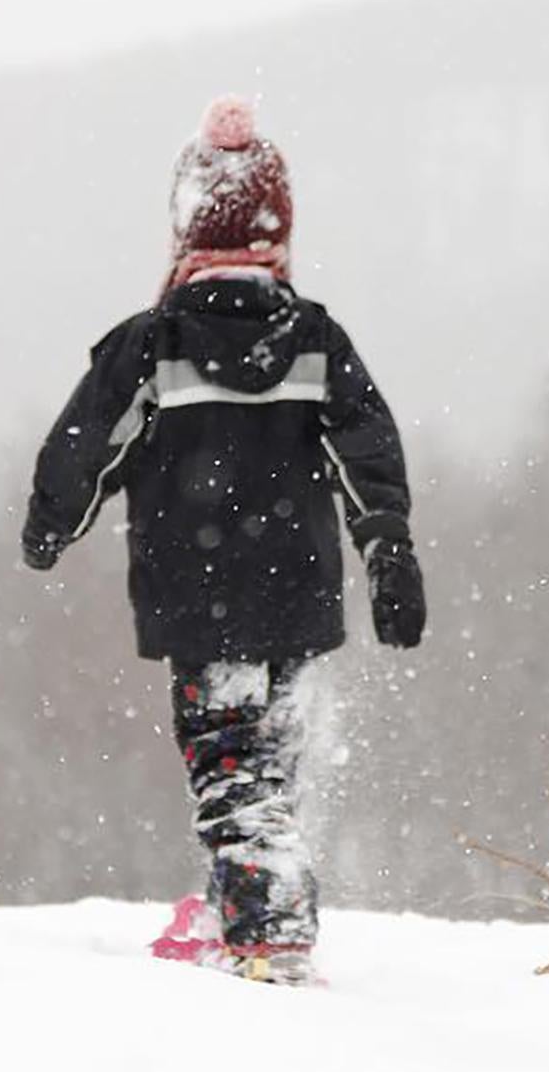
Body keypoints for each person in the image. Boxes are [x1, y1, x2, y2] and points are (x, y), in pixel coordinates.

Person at [21, 98, 425, 984]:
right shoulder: (315, 342)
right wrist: (386, 547)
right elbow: (368, 450)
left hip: (201, 603)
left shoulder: (153, 349)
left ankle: (266, 926)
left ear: (184, 228)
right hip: (299, 599)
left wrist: (54, 520)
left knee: (229, 766)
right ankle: (243, 904)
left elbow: (85, 447)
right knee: (266, 768)